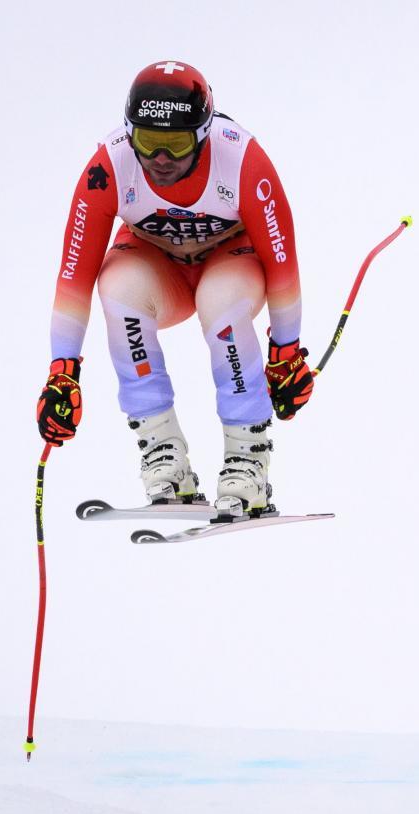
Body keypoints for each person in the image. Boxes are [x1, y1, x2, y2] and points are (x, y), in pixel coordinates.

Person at [35, 60, 313, 517]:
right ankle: (163, 455)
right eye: (148, 142)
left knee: (220, 302)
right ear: (129, 134)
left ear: (203, 135)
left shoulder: (242, 159)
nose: (160, 160)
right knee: (116, 287)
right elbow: (74, 276)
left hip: (230, 262)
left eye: (176, 144)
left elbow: (283, 264)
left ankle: (248, 459)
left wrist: (286, 352)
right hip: (159, 269)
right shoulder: (109, 165)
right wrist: (62, 370)